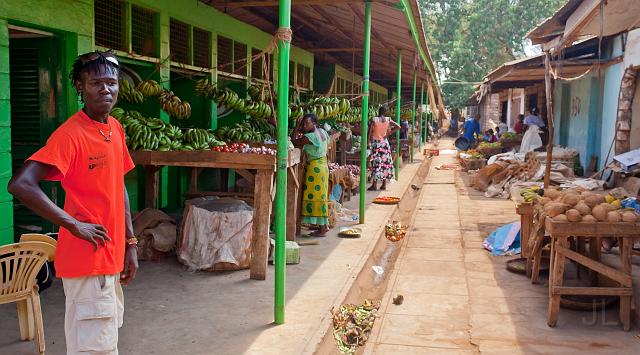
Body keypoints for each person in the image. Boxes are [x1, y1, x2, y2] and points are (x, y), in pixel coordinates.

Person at [8, 50, 138, 354]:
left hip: (110, 257)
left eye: (111, 82)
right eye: (96, 83)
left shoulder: (114, 129)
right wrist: (74, 225)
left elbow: (118, 186)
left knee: (103, 340)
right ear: (80, 86)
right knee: (95, 348)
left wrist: (130, 242)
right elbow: (21, 184)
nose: (105, 89)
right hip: (87, 259)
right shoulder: (70, 134)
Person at [292, 113, 330, 236]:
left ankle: (323, 228)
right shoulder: (323, 132)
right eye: (303, 123)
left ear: (314, 123)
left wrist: (297, 127)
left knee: (315, 198)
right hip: (323, 166)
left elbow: (294, 142)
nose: (304, 125)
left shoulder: (310, 137)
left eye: (306, 123)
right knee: (321, 197)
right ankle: (323, 225)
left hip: (315, 169)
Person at [367, 105, 400, 191]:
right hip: (385, 144)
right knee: (385, 164)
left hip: (376, 144)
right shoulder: (388, 120)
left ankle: (374, 185)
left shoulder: (374, 120)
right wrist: (389, 133)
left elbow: (370, 132)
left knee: (376, 164)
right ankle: (384, 184)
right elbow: (398, 127)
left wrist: (368, 142)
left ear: (379, 112)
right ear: (385, 113)